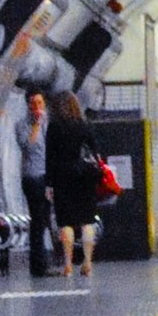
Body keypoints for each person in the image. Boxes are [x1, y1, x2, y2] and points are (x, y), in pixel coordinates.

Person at [46, 90, 106, 278]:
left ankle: (68, 264)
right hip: (85, 177)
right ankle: (87, 261)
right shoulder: (85, 125)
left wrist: (49, 184)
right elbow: (96, 153)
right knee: (87, 221)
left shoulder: (54, 127)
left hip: (62, 178)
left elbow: (50, 158)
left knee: (66, 223)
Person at [16, 82, 56, 276]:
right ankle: (37, 265)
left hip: (48, 176)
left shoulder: (51, 123)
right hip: (33, 177)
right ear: (28, 105)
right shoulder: (22, 125)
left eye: (40, 103)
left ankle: (48, 260)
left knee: (47, 218)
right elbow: (28, 147)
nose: (37, 107)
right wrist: (36, 125)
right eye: (33, 103)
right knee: (38, 220)